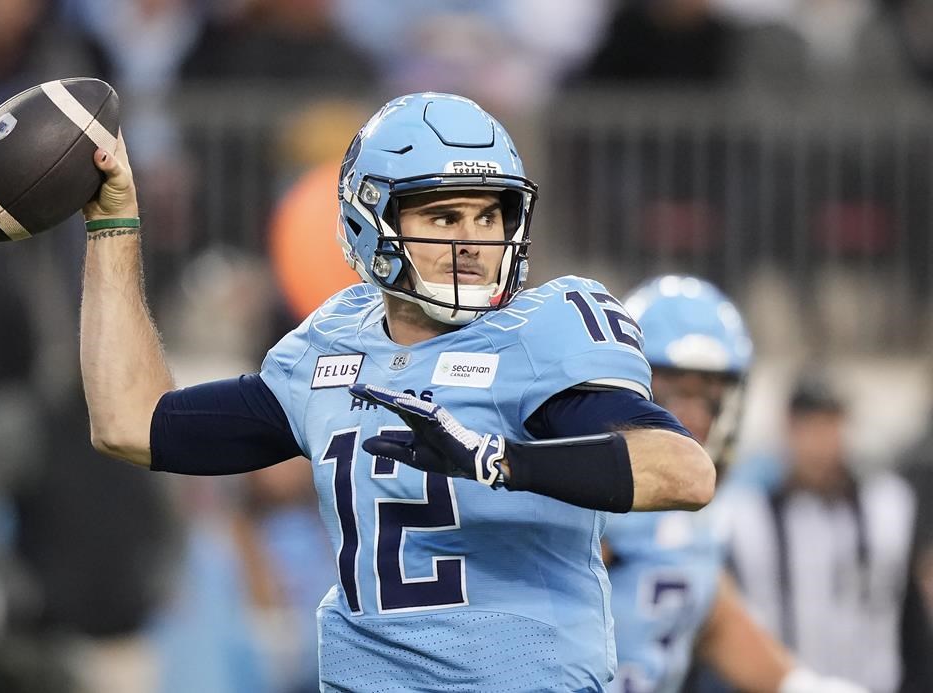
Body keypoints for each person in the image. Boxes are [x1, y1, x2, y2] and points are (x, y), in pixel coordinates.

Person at [78, 93, 716, 691]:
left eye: (489, 215)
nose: (473, 242)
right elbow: (131, 424)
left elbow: (684, 472)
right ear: (371, 221)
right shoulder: (331, 344)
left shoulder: (542, 329)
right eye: (444, 215)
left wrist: (496, 459)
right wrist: (114, 224)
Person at [606, 275, 868, 693]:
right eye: (673, 392)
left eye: (708, 396)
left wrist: (801, 685)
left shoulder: (696, 515)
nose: (693, 416)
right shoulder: (589, 500)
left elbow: (709, 616)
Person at [723, 373, 933, 693]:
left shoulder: (888, 508)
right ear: (788, 430)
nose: (820, 442)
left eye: (830, 425)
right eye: (809, 427)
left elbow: (911, 620)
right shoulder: (747, 517)